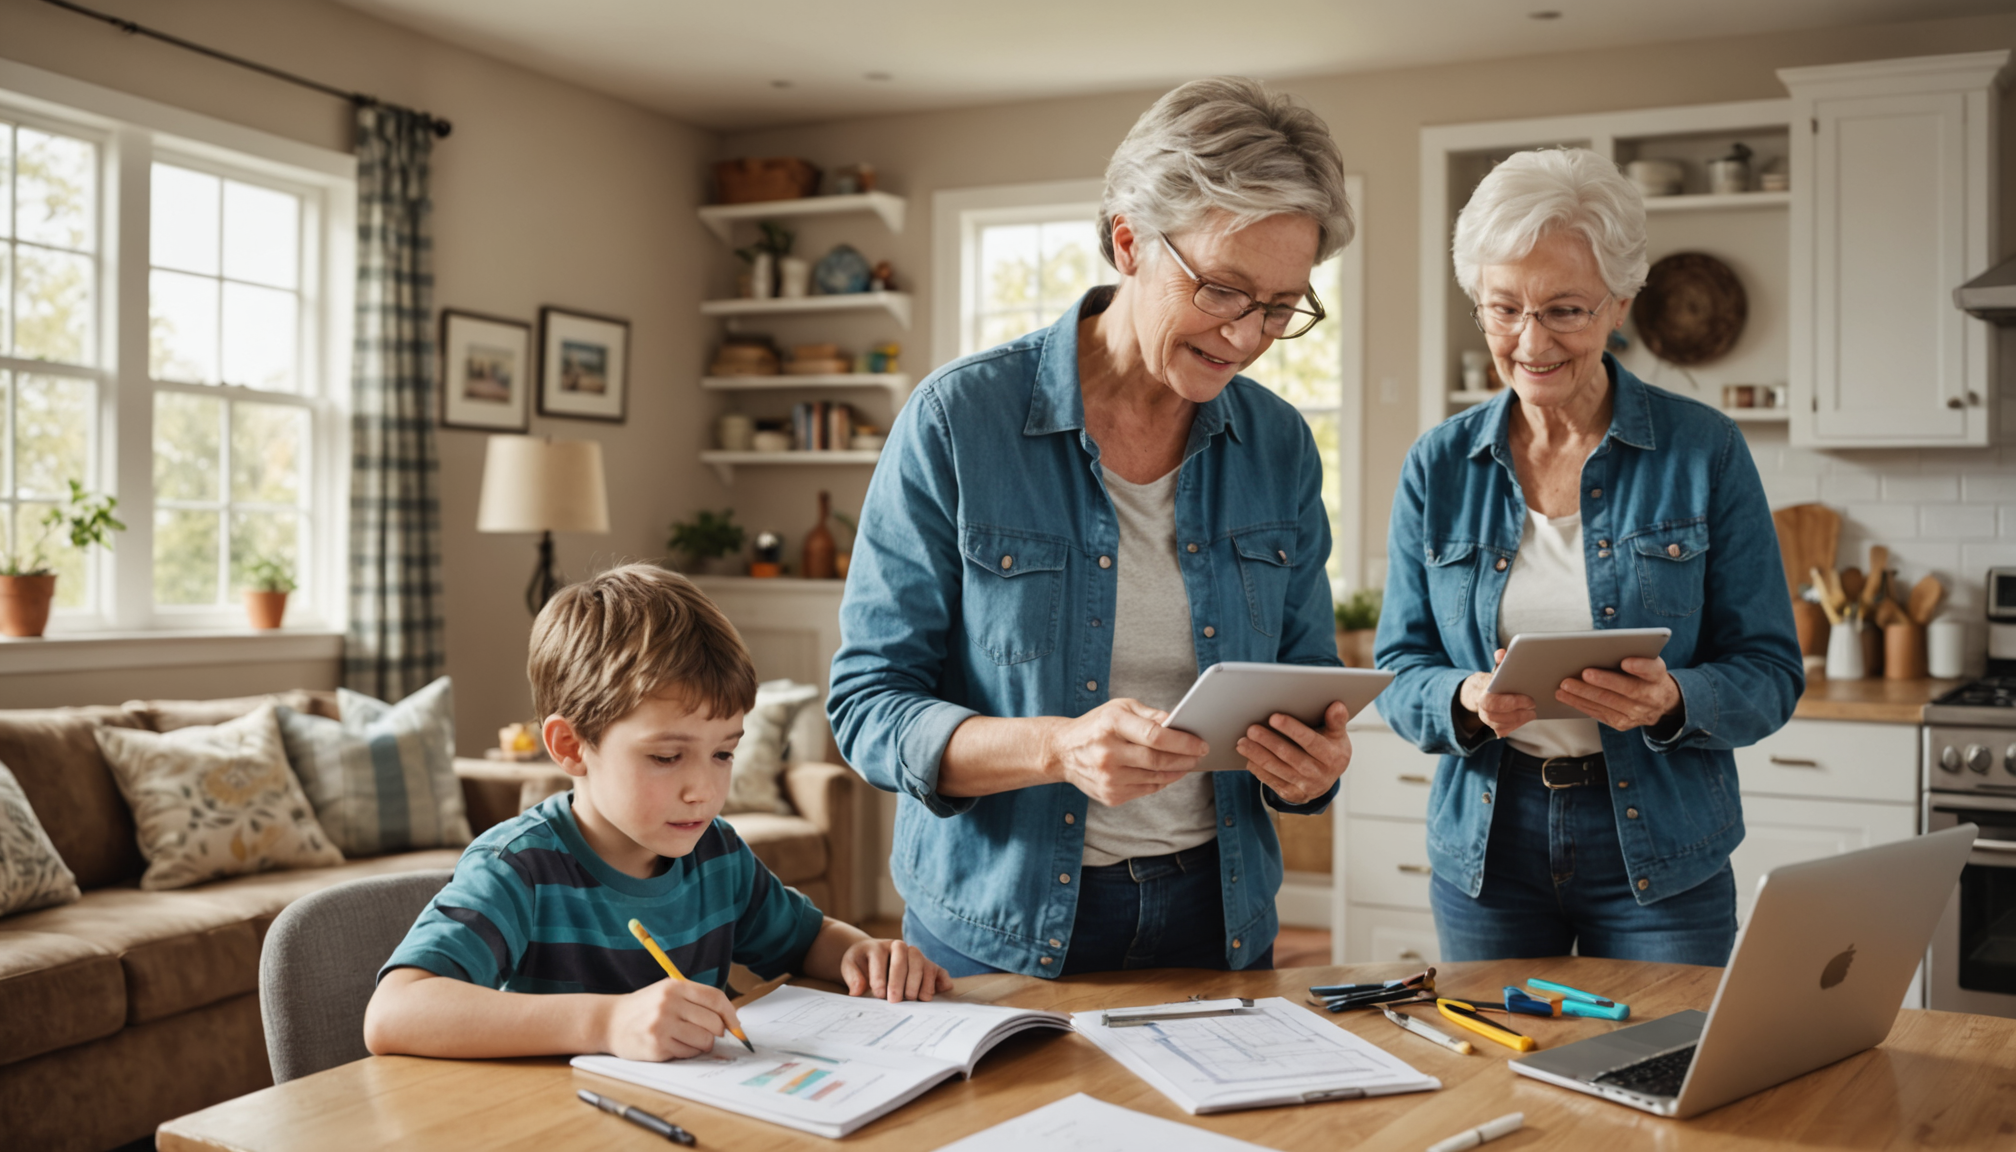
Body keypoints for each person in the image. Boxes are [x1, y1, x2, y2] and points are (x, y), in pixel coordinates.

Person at [828, 77, 1356, 979]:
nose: (1249, 336)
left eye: (1280, 307)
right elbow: (870, 706)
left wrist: (1314, 766)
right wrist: (1055, 748)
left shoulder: (1278, 445)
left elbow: (1307, 683)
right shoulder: (959, 421)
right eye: (1225, 291)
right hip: (999, 925)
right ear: (1129, 241)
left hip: (1221, 918)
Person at [1375, 148, 1803, 966]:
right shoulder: (1439, 464)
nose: (1529, 341)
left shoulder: (1703, 451)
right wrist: (1463, 698)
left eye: (1564, 310)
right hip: (1489, 849)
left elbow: (1770, 673)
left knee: (1661, 1068)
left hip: (1662, 846)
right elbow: (1400, 667)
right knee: (1493, 1073)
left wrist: (1673, 700)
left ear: (1620, 307)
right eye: (1503, 310)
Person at [365, 565, 949, 1062]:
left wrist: (860, 952)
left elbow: (808, 939)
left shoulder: (715, 855)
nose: (703, 789)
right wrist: (605, 1024)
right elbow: (394, 1013)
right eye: (667, 756)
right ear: (572, 747)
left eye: (723, 753)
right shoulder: (520, 868)